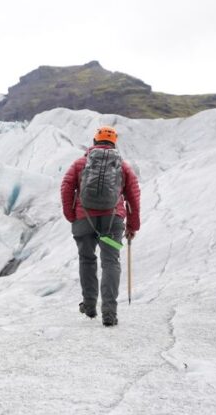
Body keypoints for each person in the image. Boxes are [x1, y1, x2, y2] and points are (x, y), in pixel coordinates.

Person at [60, 126, 141, 326]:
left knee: (87, 260)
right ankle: (109, 312)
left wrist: (72, 215)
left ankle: (89, 307)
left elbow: (66, 188)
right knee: (111, 263)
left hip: (84, 221)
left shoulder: (80, 163)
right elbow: (133, 197)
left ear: (95, 142)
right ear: (114, 143)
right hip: (113, 221)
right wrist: (133, 226)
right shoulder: (123, 166)